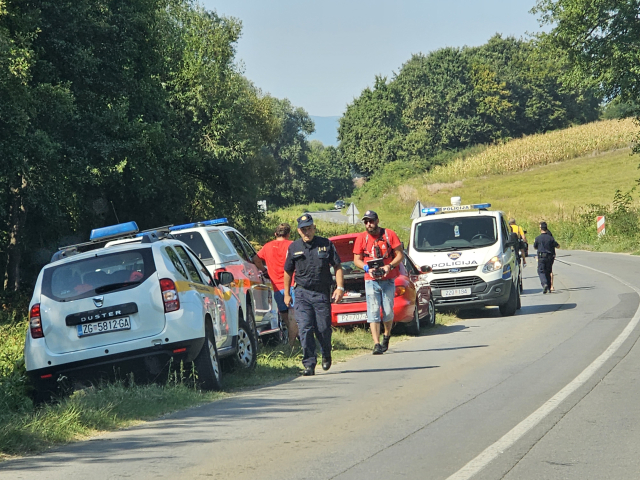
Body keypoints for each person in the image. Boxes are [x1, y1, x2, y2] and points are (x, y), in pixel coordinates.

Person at [283, 214, 344, 376]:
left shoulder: (325, 244)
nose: (306, 232)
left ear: (314, 228)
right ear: (298, 231)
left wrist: (340, 287)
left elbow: (337, 266)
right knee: (305, 328)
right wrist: (287, 294)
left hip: (321, 293)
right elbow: (288, 271)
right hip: (302, 293)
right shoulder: (294, 247)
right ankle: (309, 363)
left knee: (323, 329)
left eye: (309, 228)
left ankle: (326, 353)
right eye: (303, 230)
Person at [353, 210, 404, 355]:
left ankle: (386, 336)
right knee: (373, 312)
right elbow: (356, 259)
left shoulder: (389, 234)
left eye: (371, 221)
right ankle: (376, 343)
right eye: (366, 222)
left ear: (377, 220)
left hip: (388, 278)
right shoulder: (362, 238)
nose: (369, 224)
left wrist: (389, 266)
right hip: (371, 280)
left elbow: (400, 254)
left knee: (387, 312)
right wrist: (366, 268)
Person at [254, 223, 299, 345]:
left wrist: (264, 271)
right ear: (288, 234)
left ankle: (293, 342)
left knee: (285, 315)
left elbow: (256, 259)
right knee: (294, 314)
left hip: (277, 286)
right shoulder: (292, 245)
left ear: (275, 234)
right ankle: (293, 343)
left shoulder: (267, 246)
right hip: (293, 283)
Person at [533, 221, 559, 294]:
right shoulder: (550, 238)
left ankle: (544, 284)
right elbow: (557, 245)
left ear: (541, 229)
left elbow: (535, 247)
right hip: (549, 257)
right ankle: (549, 287)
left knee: (541, 271)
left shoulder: (538, 238)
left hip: (541, 257)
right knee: (548, 271)